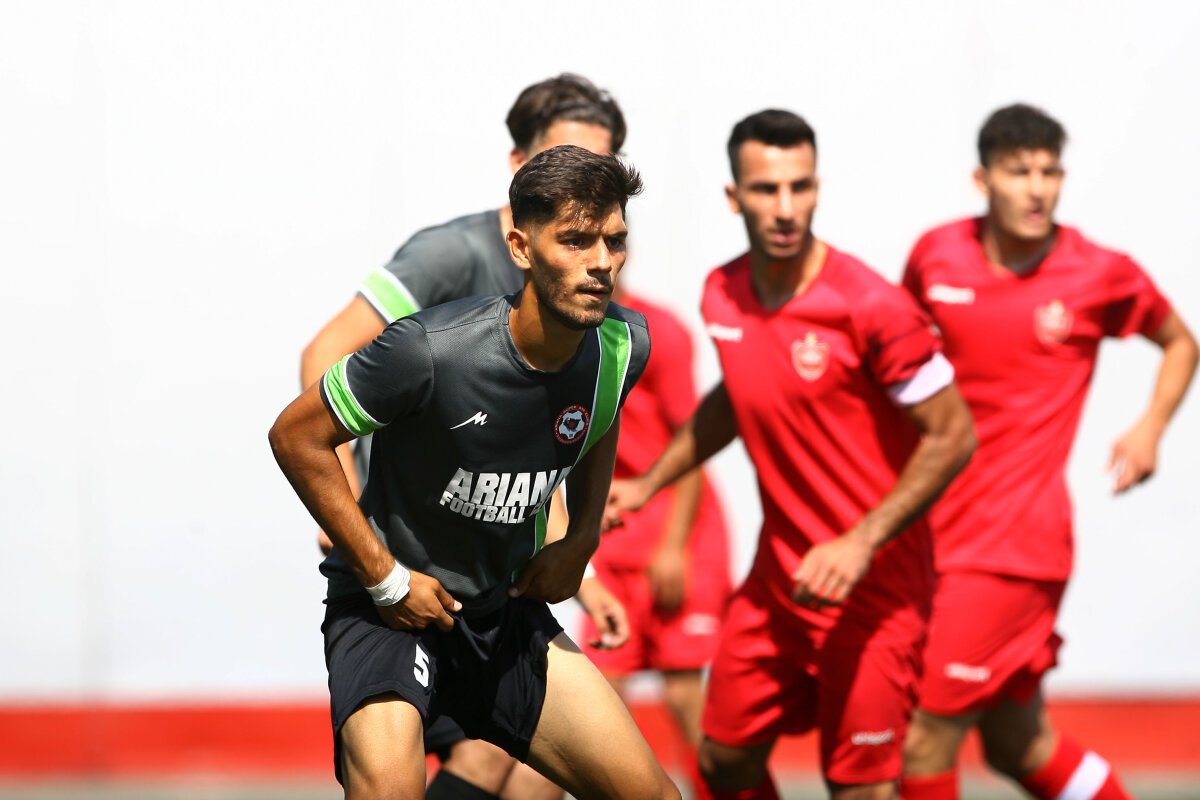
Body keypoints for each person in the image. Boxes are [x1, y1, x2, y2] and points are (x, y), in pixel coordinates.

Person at [271, 145, 679, 800]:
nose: (602, 261)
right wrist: (384, 578)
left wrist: (581, 543)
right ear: (521, 247)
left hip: (503, 613)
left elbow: (600, 421)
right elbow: (295, 437)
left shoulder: (623, 345)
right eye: (576, 240)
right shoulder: (427, 350)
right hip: (390, 611)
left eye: (614, 240)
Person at [605, 109, 977, 800]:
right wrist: (650, 482)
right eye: (766, 189)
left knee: (857, 787)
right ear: (734, 196)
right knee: (722, 761)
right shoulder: (723, 293)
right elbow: (737, 393)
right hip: (776, 588)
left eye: (799, 187)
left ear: (817, 189)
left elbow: (954, 434)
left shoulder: (872, 305)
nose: (785, 207)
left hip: (873, 591)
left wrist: (860, 542)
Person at [899, 103, 1199, 800]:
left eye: (1050, 172)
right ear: (983, 180)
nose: (1037, 189)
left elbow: (1181, 343)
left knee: (921, 740)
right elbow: (899, 360)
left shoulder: (1099, 272)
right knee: (1018, 744)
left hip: (1011, 548)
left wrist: (1150, 426)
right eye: (1019, 172)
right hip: (931, 534)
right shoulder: (935, 255)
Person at [587, 284, 732, 800]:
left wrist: (674, 547)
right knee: (595, 702)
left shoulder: (656, 332)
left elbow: (691, 440)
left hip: (681, 535)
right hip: (614, 538)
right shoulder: (556, 330)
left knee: (685, 694)